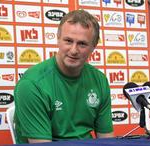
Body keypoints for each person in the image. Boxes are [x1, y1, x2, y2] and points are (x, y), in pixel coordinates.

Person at [14, 9, 114, 144]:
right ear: (58, 40)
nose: (73, 50)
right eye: (68, 41)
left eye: (82, 44)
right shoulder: (31, 84)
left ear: (93, 47)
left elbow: (107, 140)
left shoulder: (99, 80)